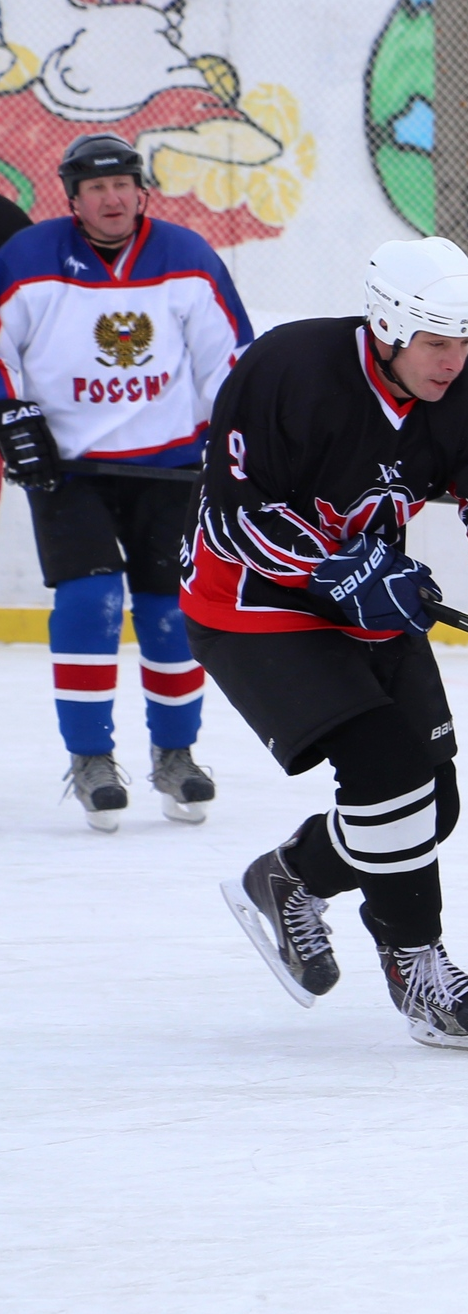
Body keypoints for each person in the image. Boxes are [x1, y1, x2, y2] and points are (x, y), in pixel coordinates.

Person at [202, 236, 468, 1052]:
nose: (454, 360)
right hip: (252, 599)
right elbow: (232, 515)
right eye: (436, 342)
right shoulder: (289, 368)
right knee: (387, 768)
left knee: (433, 805)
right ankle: (417, 966)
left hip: (373, 597)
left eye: (465, 341)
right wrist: (332, 565)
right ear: (387, 327)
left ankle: (288, 877)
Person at [0, 133, 251, 830]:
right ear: (73, 200)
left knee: (172, 611)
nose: (111, 198)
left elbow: (229, 357)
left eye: (122, 185)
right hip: (67, 469)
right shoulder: (26, 258)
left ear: (142, 192)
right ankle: (90, 760)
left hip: (168, 467)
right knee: (90, 601)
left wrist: (234, 444)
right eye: (95, 188)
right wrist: (9, 414)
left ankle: (177, 754)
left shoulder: (187, 258)